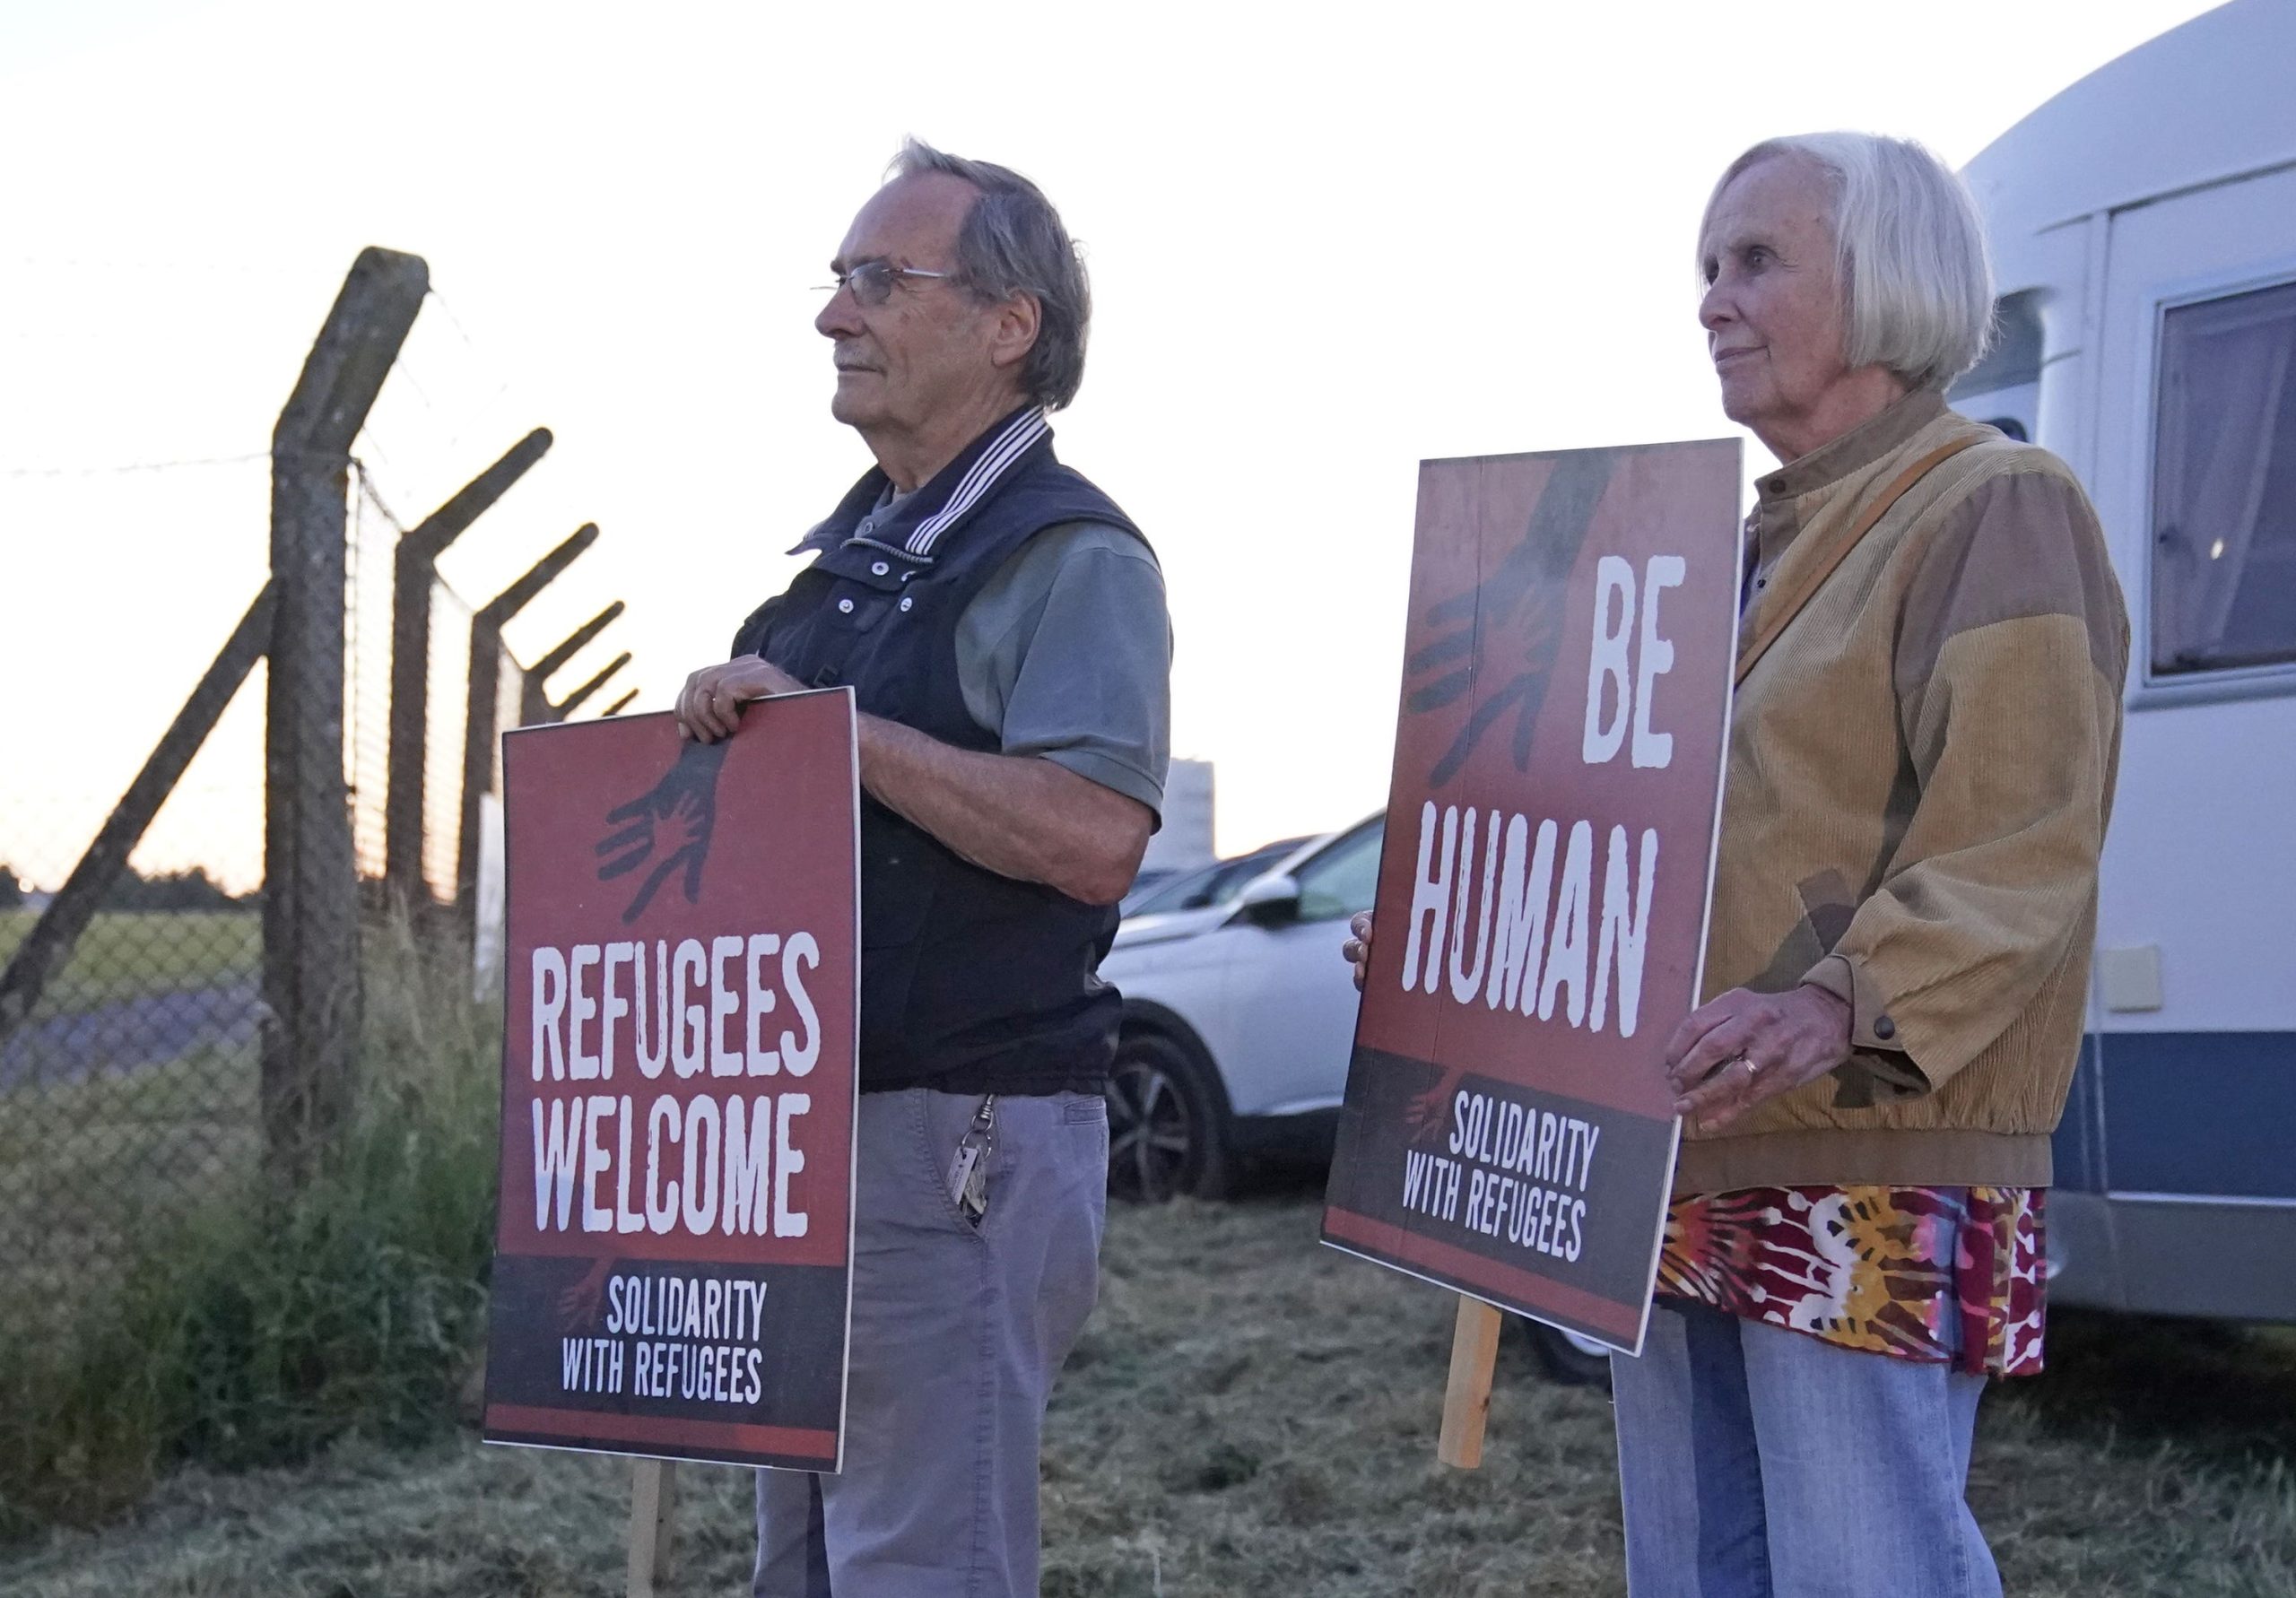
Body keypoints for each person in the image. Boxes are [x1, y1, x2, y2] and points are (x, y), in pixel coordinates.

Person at [1345, 132, 2127, 1596]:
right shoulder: (1707, 548)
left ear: (1888, 278)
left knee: (1859, 1569)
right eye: (1706, 266)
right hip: (1674, 1149)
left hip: (1869, 1158)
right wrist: (1459, 943)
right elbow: (1623, 832)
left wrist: (1837, 1003)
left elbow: (2022, 838)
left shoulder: (1994, 505)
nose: (1712, 297)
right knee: (1694, 1570)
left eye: (1756, 258)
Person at [675, 140, 1170, 1598]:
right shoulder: (831, 569)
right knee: (807, 1563)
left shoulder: (1074, 559)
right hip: (802, 1143)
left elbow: (1091, 837)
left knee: (921, 1563)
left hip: (958, 1136)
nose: (838, 314)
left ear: (1011, 324)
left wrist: (834, 738)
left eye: (883, 280)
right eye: (838, 280)